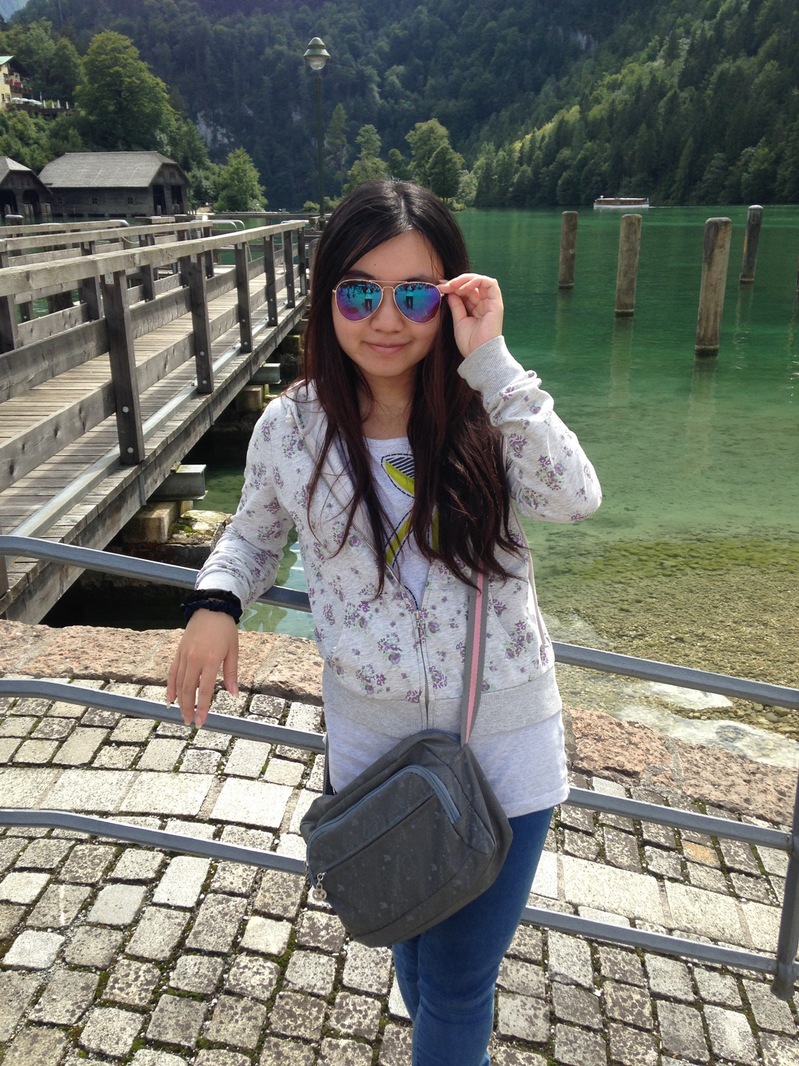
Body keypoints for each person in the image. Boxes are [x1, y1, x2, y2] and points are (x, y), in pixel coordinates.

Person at [168, 179, 601, 1065]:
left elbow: (575, 499)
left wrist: (493, 362)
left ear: (450, 300)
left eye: (416, 295)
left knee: (455, 983)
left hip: (504, 750)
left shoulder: (489, 411)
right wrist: (216, 602)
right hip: (372, 752)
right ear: (327, 297)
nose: (388, 320)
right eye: (360, 293)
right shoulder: (291, 427)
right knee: (412, 947)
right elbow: (252, 537)